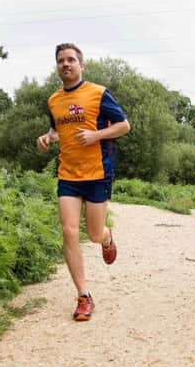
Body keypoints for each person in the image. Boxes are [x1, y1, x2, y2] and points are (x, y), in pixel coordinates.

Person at [37, 43, 130, 321]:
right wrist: (47, 138)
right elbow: (57, 129)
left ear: (81, 65)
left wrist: (96, 135)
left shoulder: (98, 93)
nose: (65, 64)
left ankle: (107, 237)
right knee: (68, 232)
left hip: (98, 172)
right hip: (68, 173)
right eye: (61, 61)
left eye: (71, 60)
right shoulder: (53, 100)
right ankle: (83, 295)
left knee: (93, 234)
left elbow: (124, 125)